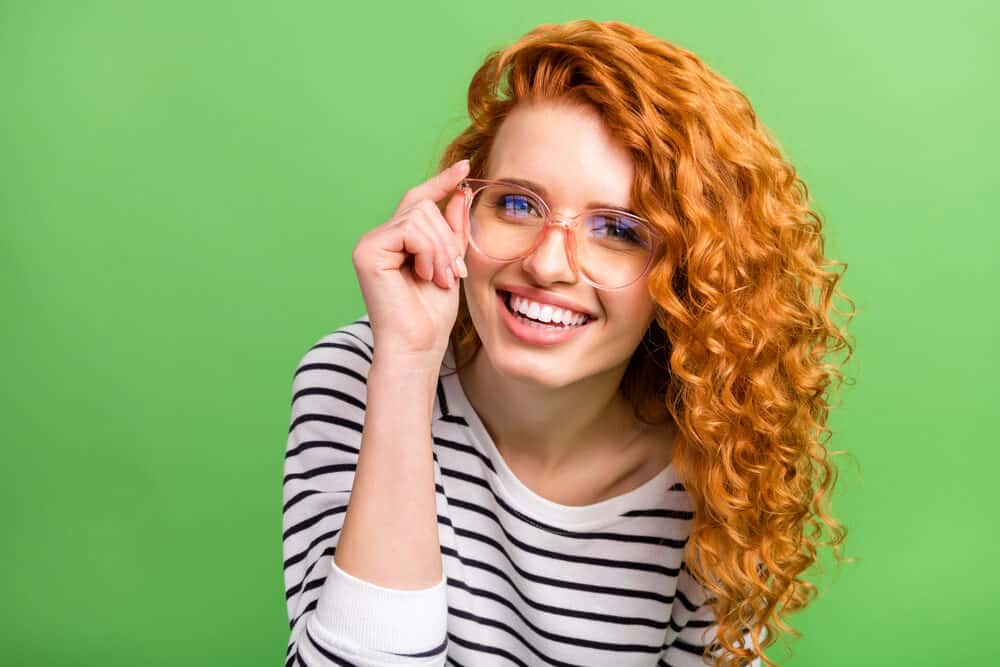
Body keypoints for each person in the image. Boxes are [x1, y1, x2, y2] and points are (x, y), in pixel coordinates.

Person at [282, 19, 853, 667]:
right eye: (518, 205)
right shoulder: (360, 374)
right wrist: (407, 366)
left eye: (616, 228)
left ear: (686, 277)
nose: (549, 264)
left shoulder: (716, 461)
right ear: (458, 212)